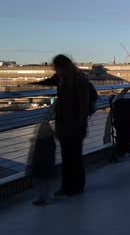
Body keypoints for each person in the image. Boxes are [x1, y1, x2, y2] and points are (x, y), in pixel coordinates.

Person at [33, 54, 89, 196]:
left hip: (74, 125)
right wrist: (29, 85)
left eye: (57, 67)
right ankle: (69, 187)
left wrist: (80, 122)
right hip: (65, 124)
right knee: (69, 157)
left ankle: (74, 187)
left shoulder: (78, 79)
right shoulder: (62, 78)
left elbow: (84, 104)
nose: (55, 70)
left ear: (62, 67)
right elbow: (48, 81)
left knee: (73, 157)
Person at [29, 121, 56, 206]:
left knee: (41, 182)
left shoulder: (39, 142)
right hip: (46, 166)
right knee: (45, 182)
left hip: (41, 166)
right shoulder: (50, 141)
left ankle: (44, 197)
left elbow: (34, 155)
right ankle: (46, 197)